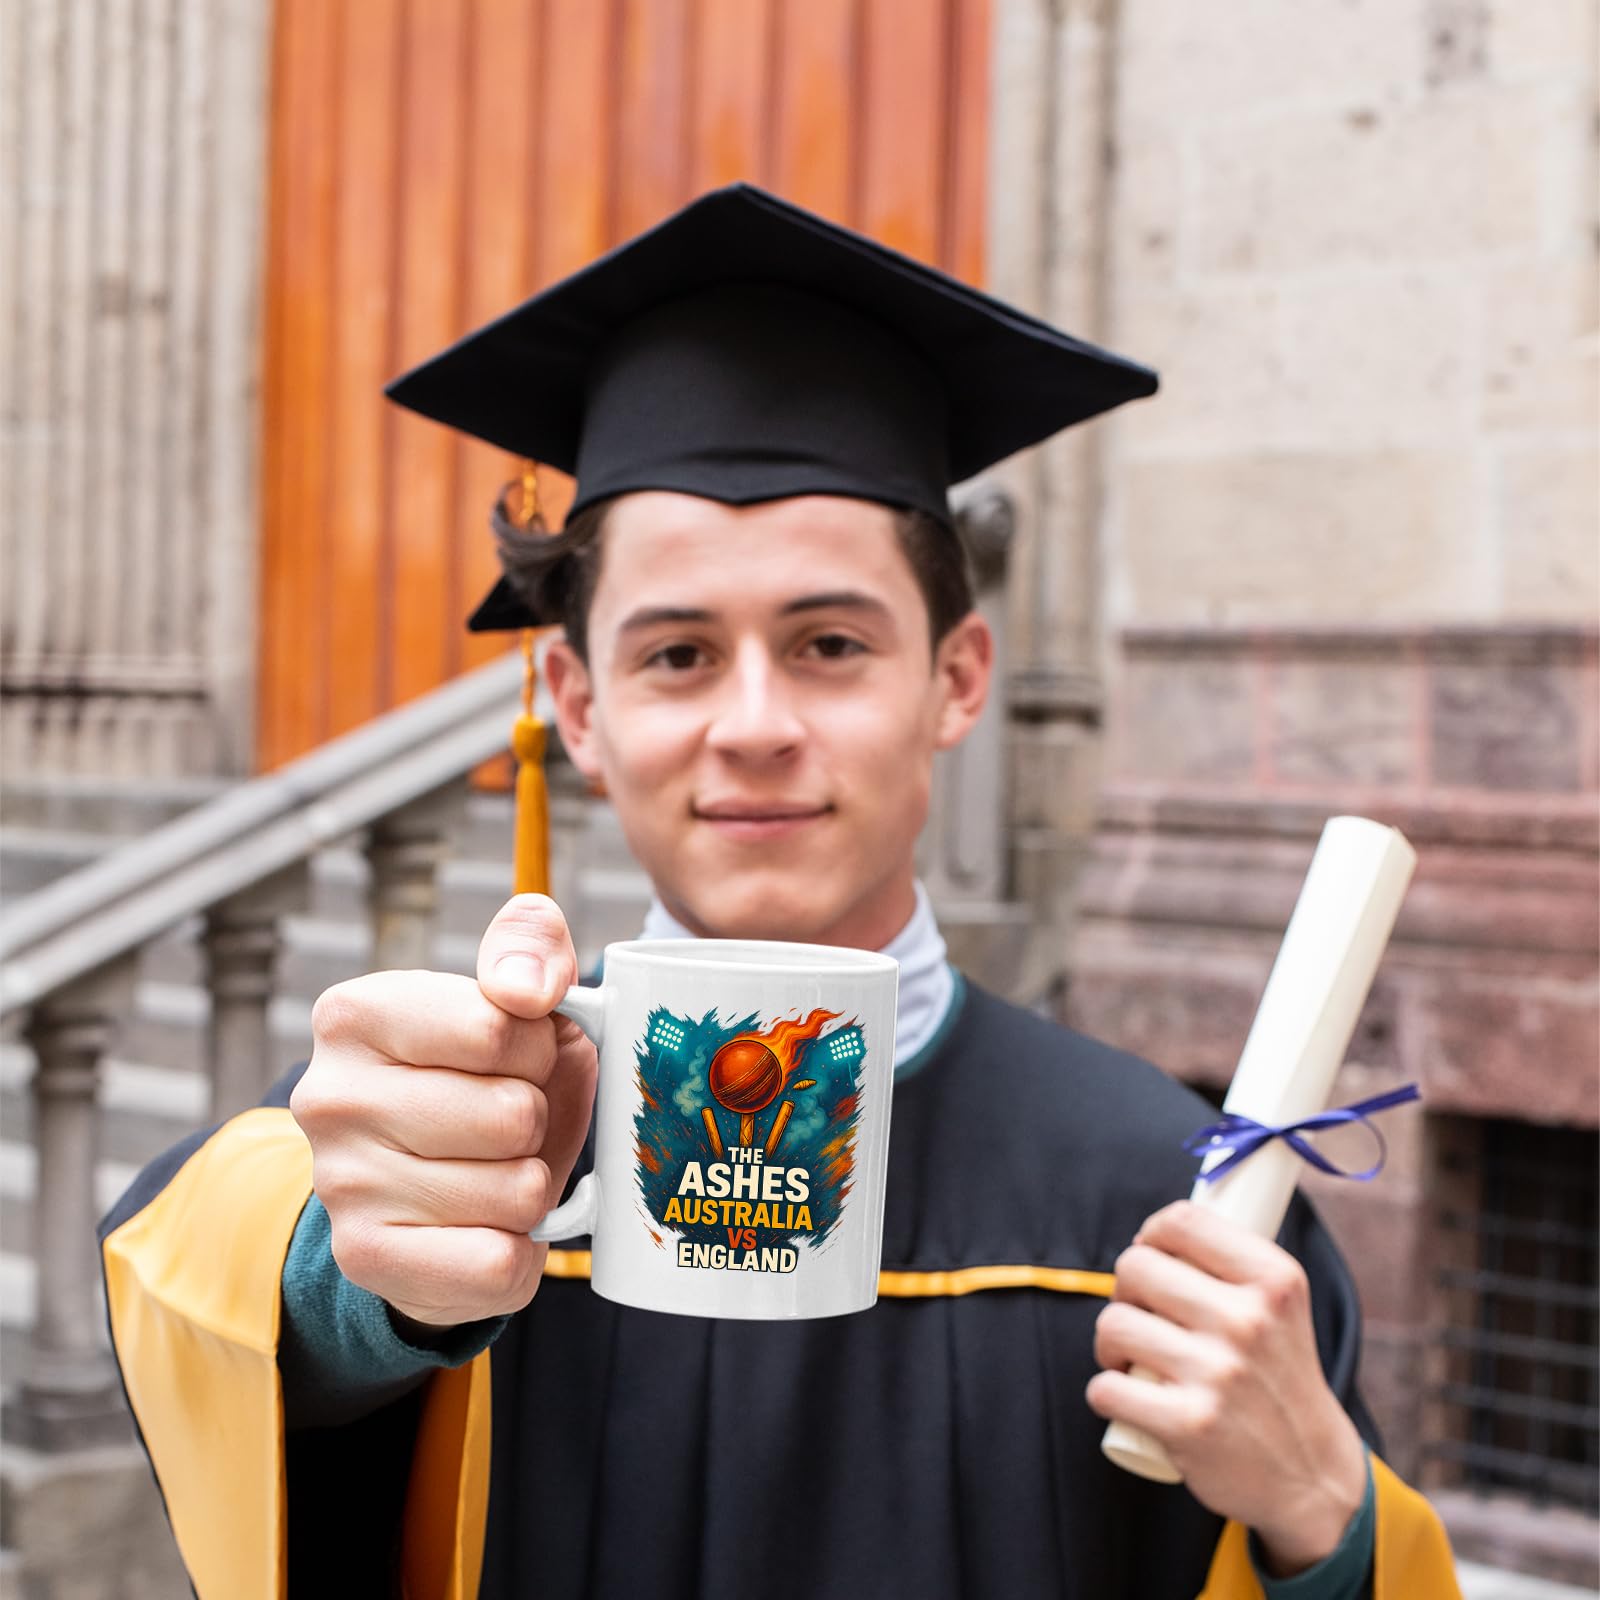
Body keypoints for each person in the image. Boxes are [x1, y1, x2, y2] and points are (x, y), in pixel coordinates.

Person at [100, 185, 1459, 1599]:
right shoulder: (461, 1144)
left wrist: (1325, 1519)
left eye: (829, 644)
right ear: (579, 705)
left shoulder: (1168, 1196)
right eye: (678, 655)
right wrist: (352, 1286)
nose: (753, 725)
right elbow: (199, 1288)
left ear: (956, 681)